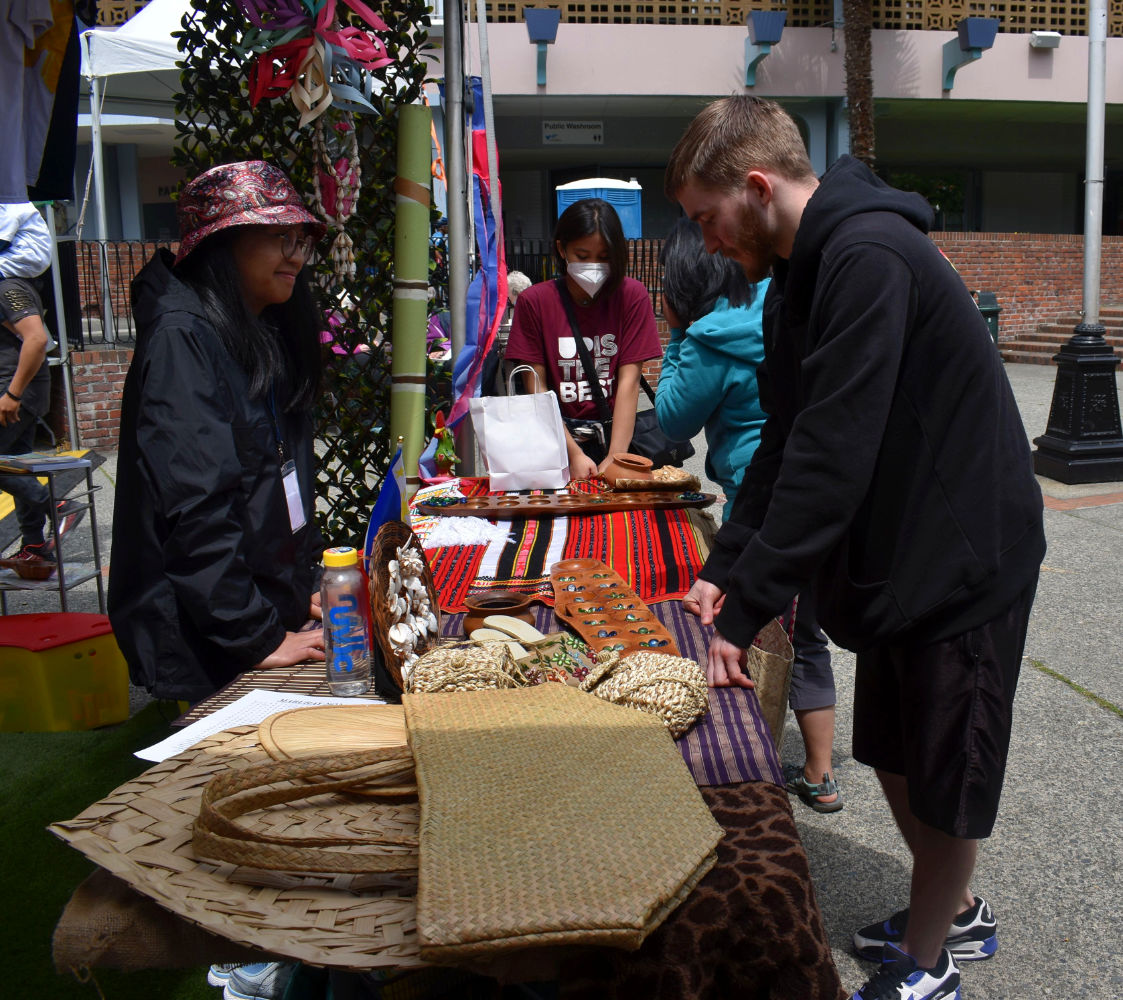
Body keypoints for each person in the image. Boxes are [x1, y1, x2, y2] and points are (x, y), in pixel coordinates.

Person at [665, 96, 1045, 1000]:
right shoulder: (805, 267)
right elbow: (789, 438)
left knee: (945, 772)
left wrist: (749, 606)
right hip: (904, 561)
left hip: (965, 556)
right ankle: (948, 910)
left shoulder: (866, 256)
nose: (707, 243)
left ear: (756, 188)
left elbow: (832, 456)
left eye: (705, 218)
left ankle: (928, 961)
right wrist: (724, 573)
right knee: (895, 752)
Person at [108, 160, 328, 705]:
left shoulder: (262, 326)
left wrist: (304, 587)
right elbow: (196, 509)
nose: (296, 255)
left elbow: (277, 480)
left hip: (261, 608)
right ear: (221, 244)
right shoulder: (183, 339)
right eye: (280, 238)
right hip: (212, 635)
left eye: (301, 239)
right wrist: (257, 635)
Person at [655, 216, 841, 813]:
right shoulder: (775, 307)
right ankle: (820, 771)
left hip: (759, 509)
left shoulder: (707, 337)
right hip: (817, 507)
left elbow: (674, 416)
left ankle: (747, 766)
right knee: (807, 636)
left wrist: (678, 333)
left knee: (758, 637)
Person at [504, 198, 662, 479]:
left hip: (616, 435)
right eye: (582, 255)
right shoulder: (534, 302)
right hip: (554, 441)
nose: (594, 265)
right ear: (562, 249)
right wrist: (573, 453)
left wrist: (616, 456)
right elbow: (536, 387)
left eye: (604, 257)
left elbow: (629, 382)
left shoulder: (631, 295)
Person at [0, 205, 83, 564]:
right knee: (14, 463)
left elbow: (36, 340)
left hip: (16, 388)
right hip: (20, 385)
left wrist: (11, 394)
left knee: (8, 463)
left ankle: (58, 505)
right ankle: (34, 545)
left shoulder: (7, 284)